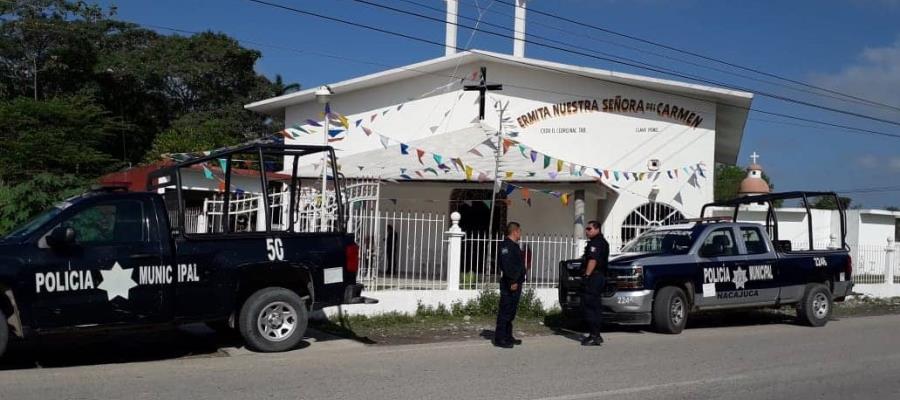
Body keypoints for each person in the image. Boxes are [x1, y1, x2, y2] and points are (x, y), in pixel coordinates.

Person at [494, 222, 525, 348]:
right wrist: (512, 281)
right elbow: (506, 265)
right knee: (505, 311)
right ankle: (500, 339)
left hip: (516, 282)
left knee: (511, 311)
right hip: (510, 283)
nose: (520, 234)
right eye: (520, 231)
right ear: (515, 231)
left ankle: (508, 336)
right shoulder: (506, 246)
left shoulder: (514, 246)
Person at [580, 220, 610, 346]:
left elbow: (592, 260)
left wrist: (586, 275)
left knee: (591, 306)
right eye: (586, 229)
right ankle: (596, 334)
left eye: (589, 229)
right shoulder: (601, 242)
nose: (587, 231)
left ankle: (594, 336)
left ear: (597, 229)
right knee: (595, 306)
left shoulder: (596, 243)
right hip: (599, 277)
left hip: (594, 277)